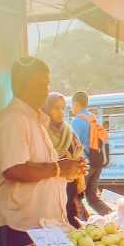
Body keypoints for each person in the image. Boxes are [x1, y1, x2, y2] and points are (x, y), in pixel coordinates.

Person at [0, 57, 84, 246]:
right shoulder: (13, 119)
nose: (45, 90)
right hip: (18, 227)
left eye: (47, 84)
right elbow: (14, 169)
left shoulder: (35, 120)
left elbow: (41, 169)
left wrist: (67, 170)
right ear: (19, 85)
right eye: (39, 84)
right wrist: (59, 168)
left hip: (41, 227)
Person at [44, 92, 87, 227]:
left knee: (70, 221)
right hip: (48, 187)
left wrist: (80, 170)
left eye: (63, 108)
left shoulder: (68, 131)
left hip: (69, 186)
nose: (61, 112)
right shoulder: (41, 132)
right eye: (56, 108)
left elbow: (78, 153)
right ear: (46, 109)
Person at [70, 91, 111, 215]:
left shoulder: (77, 121)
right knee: (92, 197)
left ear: (76, 104)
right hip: (98, 161)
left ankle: (80, 224)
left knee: (75, 196)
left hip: (86, 164)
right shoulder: (93, 118)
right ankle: (111, 217)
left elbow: (74, 145)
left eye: (72, 105)